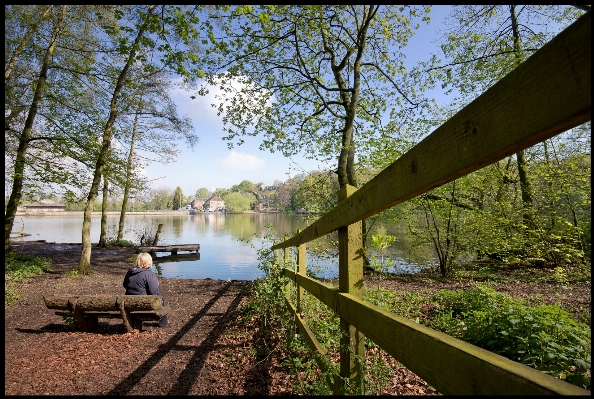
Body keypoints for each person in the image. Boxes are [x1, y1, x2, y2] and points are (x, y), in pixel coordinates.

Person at [123, 252, 168, 327]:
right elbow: (154, 292)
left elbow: (125, 285)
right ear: (149, 262)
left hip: (129, 302)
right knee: (160, 299)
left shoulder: (130, 272)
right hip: (143, 303)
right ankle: (163, 321)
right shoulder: (149, 274)